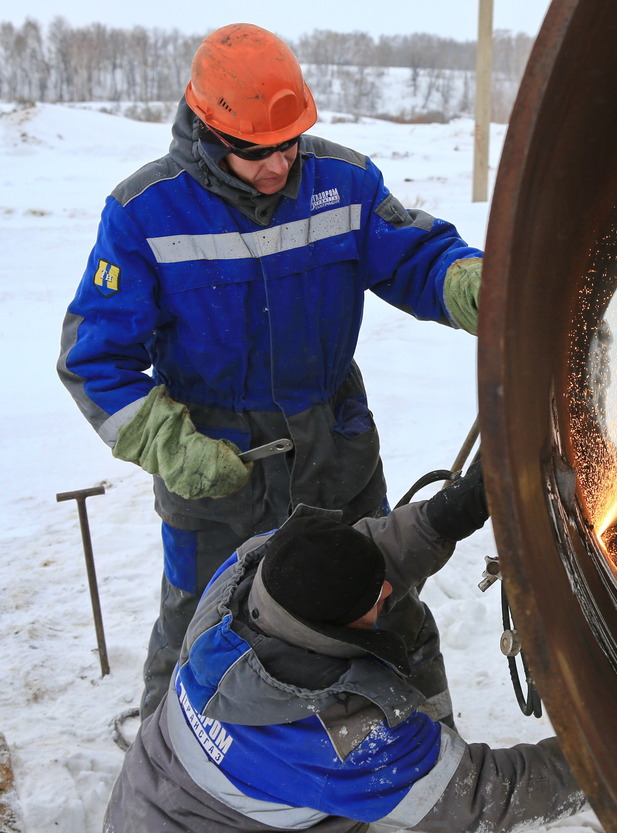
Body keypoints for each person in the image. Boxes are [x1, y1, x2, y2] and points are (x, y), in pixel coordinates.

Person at [57, 22, 483, 720]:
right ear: (206, 128)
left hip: (333, 451)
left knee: (378, 600)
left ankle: (420, 737)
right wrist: (172, 444)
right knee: (203, 621)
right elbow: (93, 359)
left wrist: (468, 282)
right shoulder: (144, 215)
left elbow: (417, 257)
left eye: (289, 143)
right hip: (219, 466)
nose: (279, 165)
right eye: (256, 151)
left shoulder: (343, 183)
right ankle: (175, 756)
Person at [102, 462, 590, 833]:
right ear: (328, 634)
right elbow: (485, 797)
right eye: (368, 600)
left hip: (150, 796)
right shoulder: (336, 734)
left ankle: (419, 759)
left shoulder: (245, 577)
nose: (385, 591)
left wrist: (449, 515)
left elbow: (353, 559)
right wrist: (605, 760)